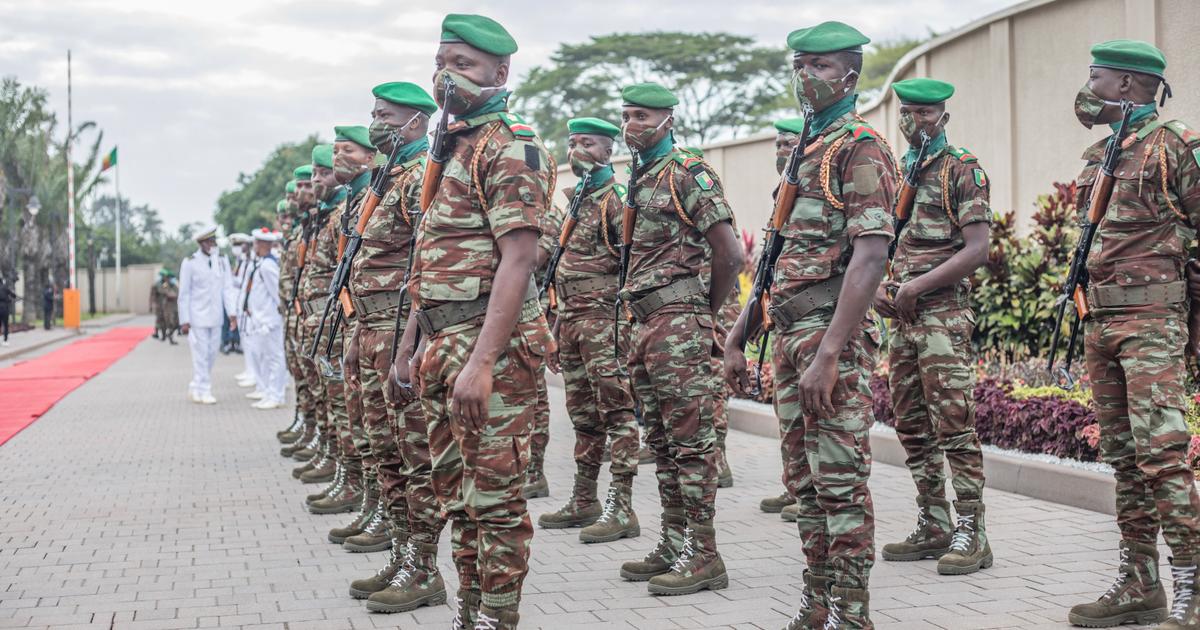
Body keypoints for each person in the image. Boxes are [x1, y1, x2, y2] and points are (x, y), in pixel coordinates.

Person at [724, 20, 898, 629]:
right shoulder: (807, 146)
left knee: (842, 482)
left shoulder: (860, 146)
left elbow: (872, 254)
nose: (806, 77)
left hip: (829, 338)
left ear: (850, 74)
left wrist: (830, 351)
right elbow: (774, 260)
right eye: (799, 65)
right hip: (791, 336)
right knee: (804, 483)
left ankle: (852, 614)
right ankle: (816, 603)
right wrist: (739, 332)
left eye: (819, 67)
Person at [395, 14, 554, 629]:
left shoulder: (510, 146)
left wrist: (482, 363)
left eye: (463, 64)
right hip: (440, 343)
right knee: (456, 498)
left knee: (494, 501)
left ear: (500, 72)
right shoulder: (451, 147)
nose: (447, 75)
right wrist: (406, 350)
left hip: (491, 349)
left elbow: (520, 260)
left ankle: (497, 617)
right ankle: (470, 613)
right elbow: (427, 262)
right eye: (442, 62)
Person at [1063, 40, 1200, 630]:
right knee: (1123, 458)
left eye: (1094, 76)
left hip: (1152, 322)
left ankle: (1193, 587)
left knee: (1163, 457)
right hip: (1102, 322)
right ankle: (1140, 584)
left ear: (1124, 86)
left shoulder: (1174, 148)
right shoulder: (1100, 153)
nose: (1085, 88)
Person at [615, 82, 742, 597]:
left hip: (677, 321)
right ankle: (674, 542)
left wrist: (700, 316)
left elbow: (731, 255)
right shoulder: (641, 177)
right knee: (663, 443)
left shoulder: (688, 172)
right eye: (626, 116)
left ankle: (704, 553)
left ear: (669, 119)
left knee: (691, 443)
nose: (632, 126)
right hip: (645, 324)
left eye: (642, 116)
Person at [874, 77, 993, 576]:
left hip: (942, 316)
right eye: (907, 112)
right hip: (902, 319)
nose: (913, 121)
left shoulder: (960, 169)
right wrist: (881, 286)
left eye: (924, 113)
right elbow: (882, 242)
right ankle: (934, 520)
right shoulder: (899, 170)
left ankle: (973, 530)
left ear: (943, 116)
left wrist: (917, 286)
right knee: (911, 424)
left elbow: (978, 249)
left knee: (953, 424)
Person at [536, 116, 641, 545]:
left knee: (616, 412)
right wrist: (557, 328)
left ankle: (622, 505)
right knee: (582, 415)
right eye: (573, 143)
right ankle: (584, 498)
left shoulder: (616, 199)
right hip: (575, 321)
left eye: (588, 144)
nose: (577, 151)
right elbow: (562, 272)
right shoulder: (577, 201)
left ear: (607, 151)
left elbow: (631, 264)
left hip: (606, 322)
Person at [303, 125, 376, 517]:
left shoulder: (373, 200)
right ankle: (353, 484)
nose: (331, 165)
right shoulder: (345, 210)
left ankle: (368, 497)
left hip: (371, 327)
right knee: (348, 412)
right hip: (342, 326)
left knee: (373, 426)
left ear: (369, 156)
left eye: (345, 151)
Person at [755, 117, 806, 522]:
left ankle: (809, 491)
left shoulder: (808, 185)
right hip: (785, 318)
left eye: (787, 143)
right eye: (776, 145)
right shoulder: (781, 192)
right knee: (786, 412)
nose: (780, 151)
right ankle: (795, 485)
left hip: (813, 319)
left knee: (808, 416)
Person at [179, 225, 233, 404]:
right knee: (200, 354)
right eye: (210, 241)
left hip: (216, 316)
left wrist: (232, 313)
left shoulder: (222, 261)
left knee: (211, 353)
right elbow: (184, 293)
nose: (213, 244)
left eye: (214, 240)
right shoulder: (190, 262)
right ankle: (205, 390)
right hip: (197, 317)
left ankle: (196, 385)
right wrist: (184, 320)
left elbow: (227, 288)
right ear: (201, 243)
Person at [243, 228, 286, 410]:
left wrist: (277, 317)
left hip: (270, 321)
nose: (254, 246)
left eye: (256, 243)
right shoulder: (262, 264)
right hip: (262, 320)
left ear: (263, 245)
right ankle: (270, 393)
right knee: (267, 358)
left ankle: (276, 395)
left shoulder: (268, 266)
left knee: (275, 358)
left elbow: (278, 293)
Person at [0, 276, 15, 347]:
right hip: (4, 308)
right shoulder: (5, 287)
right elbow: (13, 295)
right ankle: (5, 340)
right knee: (5, 325)